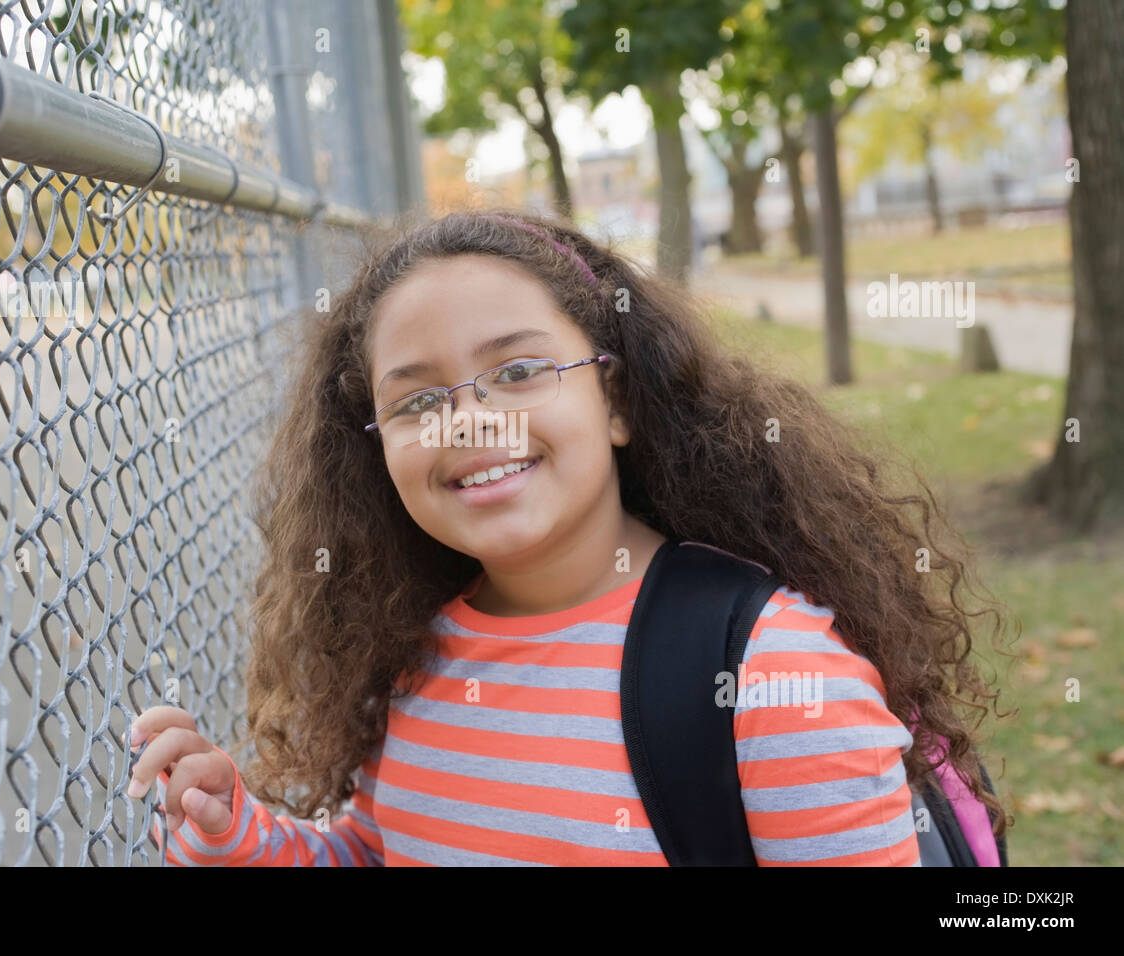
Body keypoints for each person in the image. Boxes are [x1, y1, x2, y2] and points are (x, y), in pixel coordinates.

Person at [124, 208, 1013, 866]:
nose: (469, 423)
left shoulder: (772, 672)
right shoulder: (407, 652)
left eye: (517, 371)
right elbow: (384, 851)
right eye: (418, 399)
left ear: (616, 399)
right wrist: (236, 831)